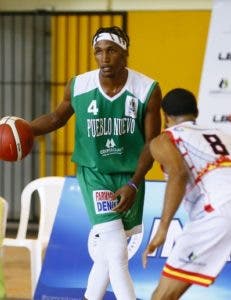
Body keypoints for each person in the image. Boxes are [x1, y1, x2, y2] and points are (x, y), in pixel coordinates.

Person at [30, 26, 162, 300]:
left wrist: (134, 184)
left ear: (125, 53)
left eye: (111, 51)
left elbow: (152, 144)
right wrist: (24, 130)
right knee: (116, 251)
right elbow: (56, 119)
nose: (104, 58)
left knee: (106, 255)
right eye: (98, 52)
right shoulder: (79, 85)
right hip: (94, 175)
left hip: (130, 177)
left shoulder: (147, 89)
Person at [142, 88, 231, 300]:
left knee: (163, 296)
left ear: (166, 117)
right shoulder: (222, 135)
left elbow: (178, 174)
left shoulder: (165, 138)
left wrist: (163, 228)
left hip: (218, 213)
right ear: (196, 112)